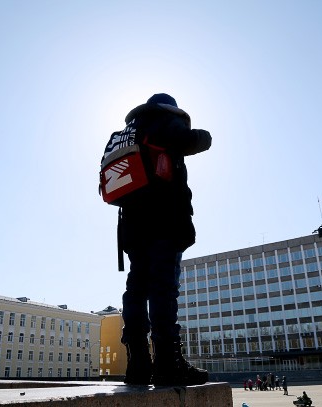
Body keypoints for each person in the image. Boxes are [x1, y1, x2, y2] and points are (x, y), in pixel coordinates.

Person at [117, 93, 212, 386]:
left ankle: (138, 364)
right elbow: (192, 140)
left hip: (133, 227)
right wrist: (203, 135)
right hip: (163, 223)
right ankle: (169, 363)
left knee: (136, 289)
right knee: (163, 289)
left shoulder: (128, 132)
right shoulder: (164, 120)